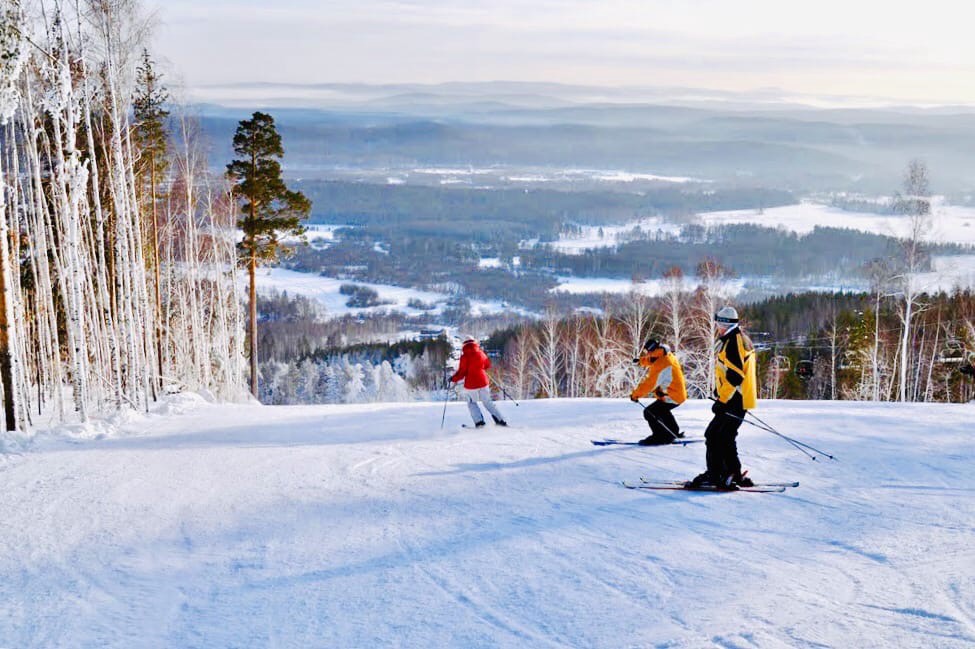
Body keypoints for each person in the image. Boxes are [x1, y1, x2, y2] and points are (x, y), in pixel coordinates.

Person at [687, 306, 758, 490]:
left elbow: (735, 377)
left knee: (713, 435)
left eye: (718, 323)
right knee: (725, 436)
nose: (717, 327)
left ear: (725, 324)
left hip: (734, 399)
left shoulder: (733, 342)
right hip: (740, 398)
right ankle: (732, 473)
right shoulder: (741, 339)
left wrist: (722, 400)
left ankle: (715, 474)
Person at [630, 339, 687, 445]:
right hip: (676, 393)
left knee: (650, 412)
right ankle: (673, 432)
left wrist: (635, 395)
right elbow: (651, 360)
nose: (647, 353)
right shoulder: (665, 354)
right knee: (662, 411)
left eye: (648, 351)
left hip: (672, 395)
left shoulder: (662, 364)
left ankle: (660, 437)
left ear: (652, 350)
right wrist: (640, 362)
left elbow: (649, 384)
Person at [451, 337, 507, 428]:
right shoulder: (481, 353)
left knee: (471, 402)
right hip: (483, 382)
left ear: (464, 345)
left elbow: (462, 372)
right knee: (487, 402)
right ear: (474, 343)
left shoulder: (464, 356)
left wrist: (453, 378)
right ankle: (501, 420)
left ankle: (479, 422)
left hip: (471, 384)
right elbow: (487, 365)